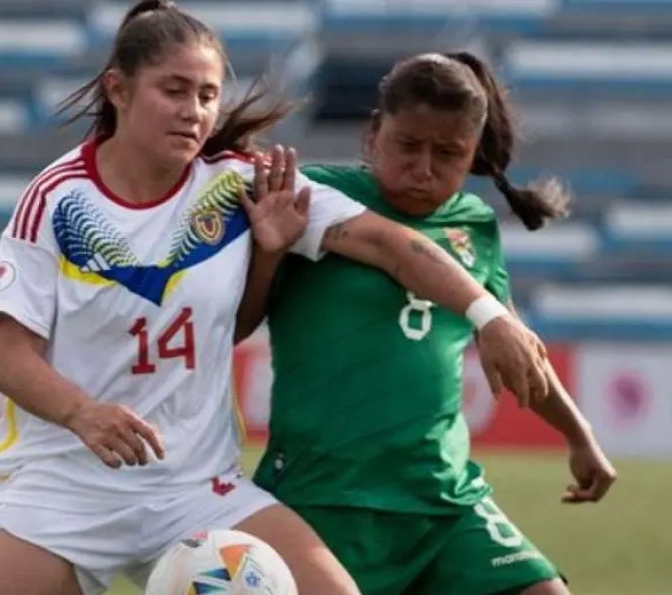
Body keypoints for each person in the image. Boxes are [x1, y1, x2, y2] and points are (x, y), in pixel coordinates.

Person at [0, 4, 551, 594]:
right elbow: (9, 359)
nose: (194, 112)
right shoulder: (56, 201)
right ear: (118, 90)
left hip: (197, 489)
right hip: (65, 488)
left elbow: (391, 245)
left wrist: (488, 315)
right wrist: (84, 413)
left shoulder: (239, 183)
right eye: (173, 91)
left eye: (207, 95)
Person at [249, 51, 618, 595]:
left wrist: (578, 434)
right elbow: (238, 322)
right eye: (407, 145)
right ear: (373, 134)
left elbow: (514, 346)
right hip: (326, 494)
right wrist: (268, 254)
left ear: (473, 156)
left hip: (444, 498)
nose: (423, 168)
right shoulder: (317, 200)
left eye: (448, 153)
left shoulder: (474, 226)